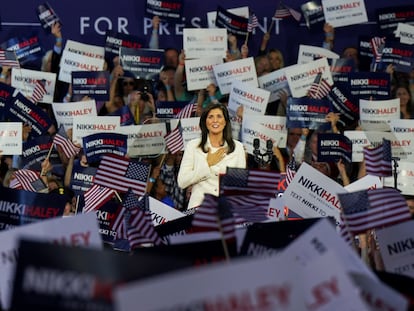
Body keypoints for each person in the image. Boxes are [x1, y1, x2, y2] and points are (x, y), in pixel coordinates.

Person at [177, 103, 246, 209]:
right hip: (199, 208)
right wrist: (207, 163)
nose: (215, 120)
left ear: (225, 122)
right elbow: (182, 181)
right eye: (210, 117)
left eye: (219, 116)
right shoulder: (193, 146)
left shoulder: (238, 148)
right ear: (205, 122)